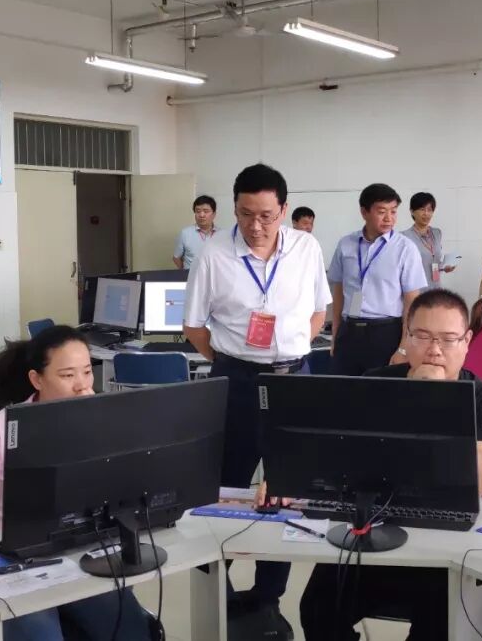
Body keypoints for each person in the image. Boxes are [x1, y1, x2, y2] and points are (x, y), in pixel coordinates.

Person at [0, 326, 154, 641]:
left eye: (87, 372)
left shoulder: (101, 419)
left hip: (80, 549)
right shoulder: (0, 428)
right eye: (68, 375)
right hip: (14, 560)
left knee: (133, 630)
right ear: (37, 380)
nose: (82, 384)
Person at [184, 163, 331, 634]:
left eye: (266, 215)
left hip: (294, 380)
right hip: (238, 378)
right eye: (246, 214)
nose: (255, 225)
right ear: (234, 208)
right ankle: (219, 591)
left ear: (283, 210)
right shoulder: (213, 254)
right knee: (226, 482)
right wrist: (236, 360)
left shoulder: (306, 248)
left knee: (287, 488)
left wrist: (289, 352)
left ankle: (269, 599)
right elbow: (194, 326)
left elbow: (318, 311)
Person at [299, 288, 482, 641]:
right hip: (373, 526)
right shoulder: (375, 383)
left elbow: (477, 484)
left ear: (466, 342)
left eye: (448, 339)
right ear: (407, 336)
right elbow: (338, 452)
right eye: (423, 336)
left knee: (440, 626)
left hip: (441, 546)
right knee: (317, 608)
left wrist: (437, 401)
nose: (434, 350)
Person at [328, 183, 427, 375]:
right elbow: (339, 290)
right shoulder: (346, 244)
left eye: (393, 211)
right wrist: (335, 335)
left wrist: (403, 348)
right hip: (349, 332)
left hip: (385, 333)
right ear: (364, 212)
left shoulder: (405, 248)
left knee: (381, 391)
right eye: (382, 212)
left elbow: (411, 302)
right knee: (343, 389)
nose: (389, 218)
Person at [400, 192, 457, 289]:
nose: (426, 213)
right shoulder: (404, 237)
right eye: (422, 209)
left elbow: (434, 260)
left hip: (436, 288)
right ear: (412, 211)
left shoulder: (437, 233)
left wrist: (445, 267)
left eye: (429, 210)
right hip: (416, 291)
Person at [173, 195, 218, 269]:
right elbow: (176, 258)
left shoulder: (222, 235)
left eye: (206, 211)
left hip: (215, 275)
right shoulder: (185, 233)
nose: (201, 215)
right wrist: (185, 273)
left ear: (214, 214)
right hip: (192, 275)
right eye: (198, 211)